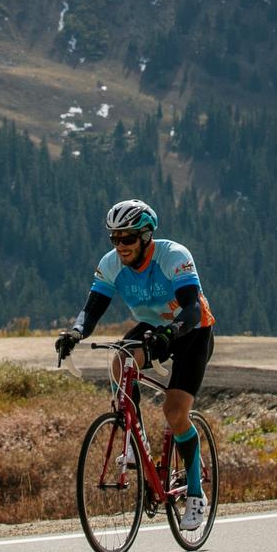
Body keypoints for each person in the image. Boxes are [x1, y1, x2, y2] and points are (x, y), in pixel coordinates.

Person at [56, 198, 216, 529]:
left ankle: (196, 495)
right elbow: (93, 309)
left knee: (174, 413)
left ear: (146, 236)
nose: (120, 246)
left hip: (191, 329)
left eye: (127, 238)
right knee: (121, 361)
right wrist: (74, 333)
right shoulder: (111, 264)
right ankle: (131, 435)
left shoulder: (174, 256)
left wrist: (170, 334)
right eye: (114, 238)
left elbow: (192, 309)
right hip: (152, 327)